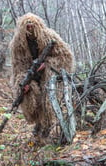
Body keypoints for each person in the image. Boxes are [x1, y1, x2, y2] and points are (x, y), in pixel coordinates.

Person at [9, 13, 74, 141]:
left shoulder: (49, 36)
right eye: (27, 27)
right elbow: (18, 66)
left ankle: (46, 126)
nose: (30, 29)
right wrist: (23, 82)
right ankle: (38, 124)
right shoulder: (17, 44)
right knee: (30, 99)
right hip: (30, 75)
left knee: (47, 100)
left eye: (32, 26)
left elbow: (65, 56)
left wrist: (47, 64)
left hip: (48, 74)